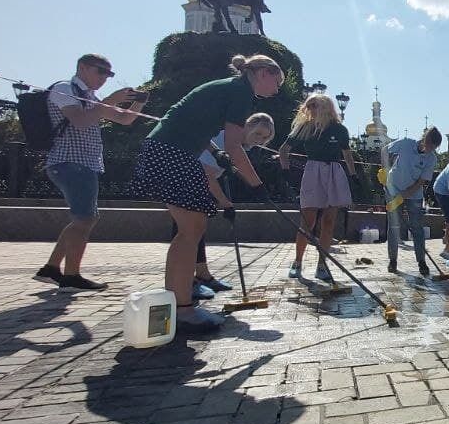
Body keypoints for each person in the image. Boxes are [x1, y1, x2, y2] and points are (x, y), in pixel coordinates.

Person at [132, 54, 283, 332]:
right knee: (192, 228)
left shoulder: (230, 87)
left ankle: (177, 302)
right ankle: (183, 308)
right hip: (173, 152)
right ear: (263, 73)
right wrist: (256, 184)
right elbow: (236, 146)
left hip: (168, 150)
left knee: (191, 228)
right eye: (278, 80)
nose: (278, 88)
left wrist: (216, 152)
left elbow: (200, 126)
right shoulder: (240, 91)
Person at [35, 54, 143, 291]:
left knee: (82, 218)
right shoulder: (65, 89)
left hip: (83, 163)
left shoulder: (90, 97)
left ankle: (51, 268)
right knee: (85, 218)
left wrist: (139, 102)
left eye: (109, 74)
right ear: (82, 67)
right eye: (101, 71)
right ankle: (71, 275)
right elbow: (81, 121)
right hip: (70, 162)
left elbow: (125, 120)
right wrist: (109, 101)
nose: (105, 77)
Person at [183, 112, 276, 299]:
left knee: (197, 229)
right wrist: (225, 202)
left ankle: (202, 275)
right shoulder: (223, 138)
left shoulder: (242, 146)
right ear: (247, 126)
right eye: (258, 134)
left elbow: (226, 170)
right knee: (186, 231)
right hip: (186, 176)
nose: (260, 140)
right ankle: (185, 282)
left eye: (266, 137)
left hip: (197, 181)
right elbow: (205, 173)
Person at [280, 93, 354, 283]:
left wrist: (353, 176)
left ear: (326, 108)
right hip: (313, 171)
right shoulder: (305, 127)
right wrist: (286, 173)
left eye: (315, 105)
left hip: (333, 171)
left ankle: (322, 264)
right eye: (309, 105)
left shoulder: (339, 130)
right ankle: (297, 262)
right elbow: (283, 150)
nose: (310, 109)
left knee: (329, 222)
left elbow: (347, 153)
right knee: (307, 222)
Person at [385, 127, 442, 276]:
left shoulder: (431, 158)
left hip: (414, 193)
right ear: (424, 139)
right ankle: (393, 261)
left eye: (434, 147)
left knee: (417, 227)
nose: (430, 150)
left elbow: (421, 182)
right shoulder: (405, 144)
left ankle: (421, 261)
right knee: (394, 226)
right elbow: (384, 150)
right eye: (429, 145)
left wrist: (403, 196)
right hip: (393, 188)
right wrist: (384, 170)